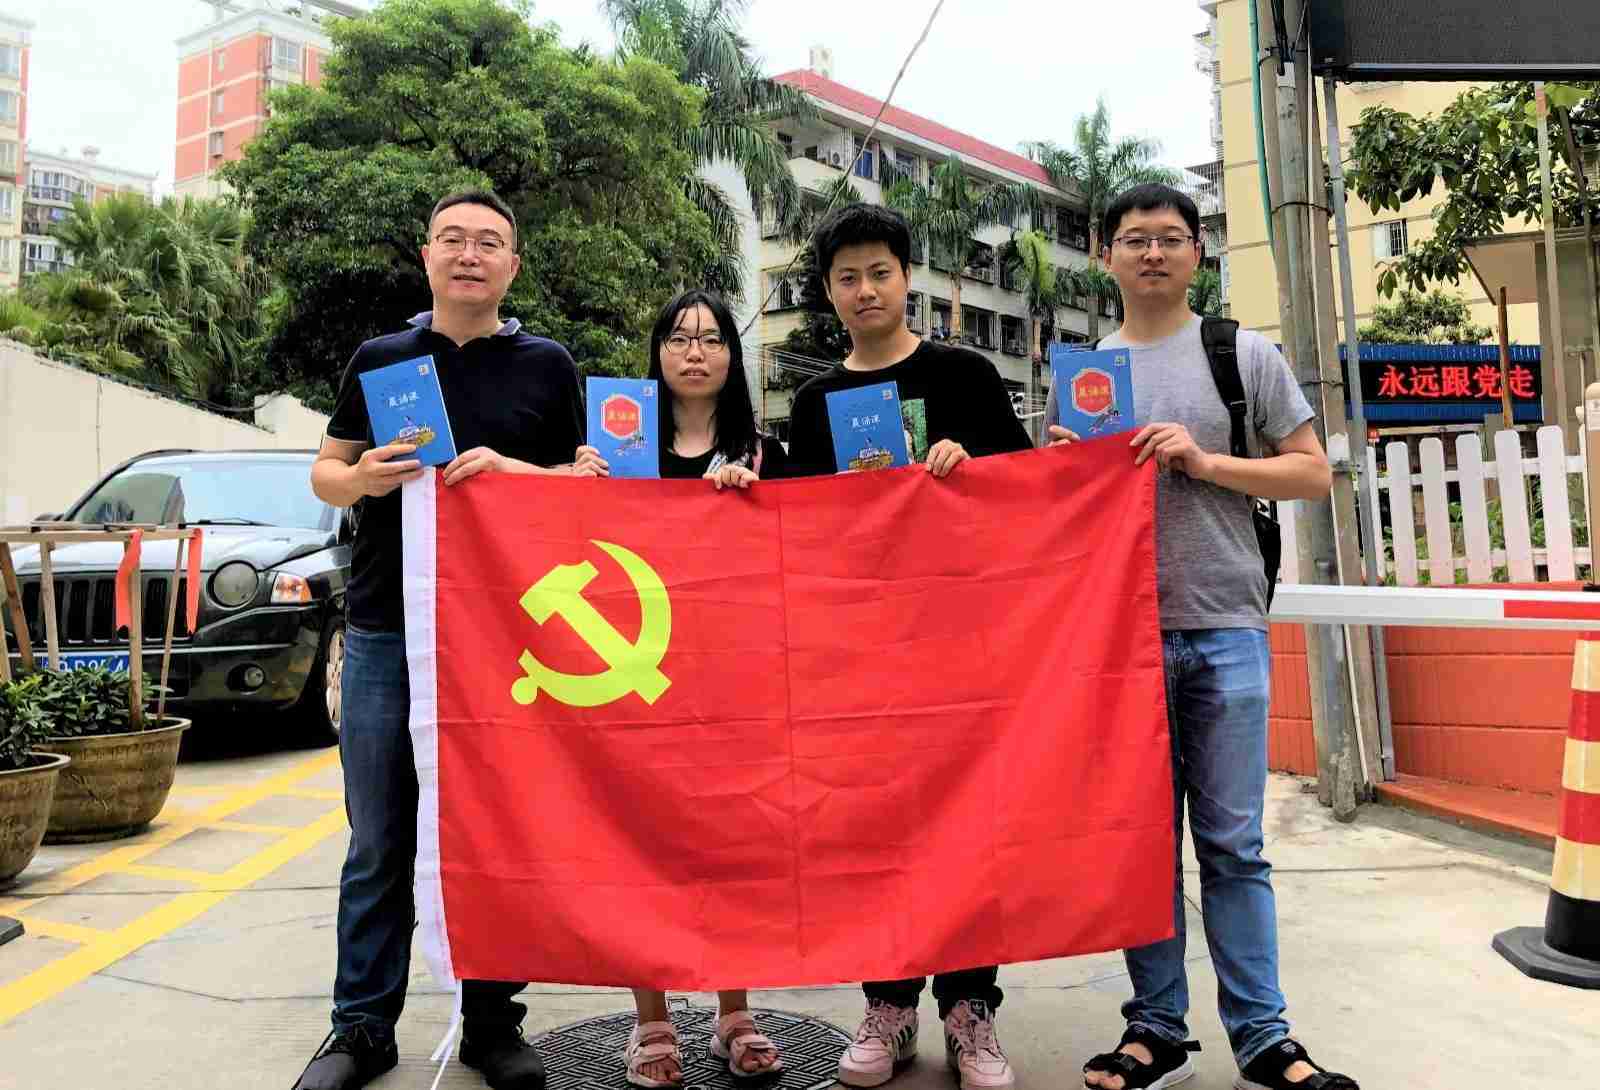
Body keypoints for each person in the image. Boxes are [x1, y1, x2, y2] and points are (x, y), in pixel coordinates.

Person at [1043, 184, 1354, 1090]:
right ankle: (1156, 1030)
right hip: (1123, 641)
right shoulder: (1084, 372)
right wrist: (1066, 473)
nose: (1153, 253)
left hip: (1223, 626)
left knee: (1233, 846)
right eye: (1135, 239)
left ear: (1196, 255)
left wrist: (1205, 460)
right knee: (1142, 846)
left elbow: (1312, 474)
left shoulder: (1241, 354)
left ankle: (1264, 1038)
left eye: (1171, 238)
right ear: (1105, 255)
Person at [299, 188, 583, 1090]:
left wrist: (515, 471)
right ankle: (359, 1029)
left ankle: (491, 1024)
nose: (469, 255)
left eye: (488, 242)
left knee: (494, 830)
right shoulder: (382, 359)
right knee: (379, 836)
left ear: (513, 265)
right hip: (386, 628)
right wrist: (363, 478)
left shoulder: (548, 366)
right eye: (452, 239)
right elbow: (324, 472)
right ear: (426, 256)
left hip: (504, 637)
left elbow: (582, 488)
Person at [784, 203, 1032, 1090]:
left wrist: (974, 471)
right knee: (876, 828)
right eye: (847, 277)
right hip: (862, 654)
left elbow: (1031, 493)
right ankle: (887, 1005)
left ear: (907, 277)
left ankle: (971, 1011)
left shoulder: (965, 374)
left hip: (961, 646)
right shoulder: (814, 402)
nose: (865, 290)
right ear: (828, 292)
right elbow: (794, 525)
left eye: (879, 272)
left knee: (969, 827)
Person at [573, 289, 786, 1088]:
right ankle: (651, 1021)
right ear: (657, 352)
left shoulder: (765, 452)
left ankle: (736, 1013)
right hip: (638, 684)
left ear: (732, 355)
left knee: (733, 844)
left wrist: (753, 503)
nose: (695, 352)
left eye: (711, 338)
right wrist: (574, 482)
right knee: (641, 843)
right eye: (678, 338)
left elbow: (802, 550)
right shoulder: (617, 450)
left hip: (734, 682)